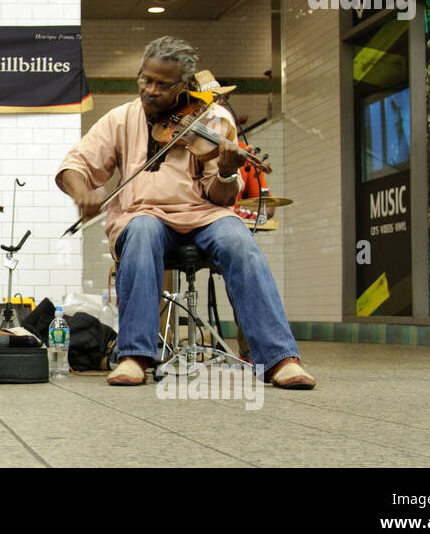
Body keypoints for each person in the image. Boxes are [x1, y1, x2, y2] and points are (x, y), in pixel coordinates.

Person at [55, 36, 314, 388]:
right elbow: (75, 164)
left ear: (185, 84)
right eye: (145, 79)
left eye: (163, 85)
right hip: (142, 212)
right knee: (144, 229)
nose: (150, 90)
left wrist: (225, 171)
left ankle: (279, 358)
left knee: (239, 240)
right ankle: (133, 355)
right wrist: (82, 192)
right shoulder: (122, 118)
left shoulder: (214, 119)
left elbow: (221, 198)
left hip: (205, 214)